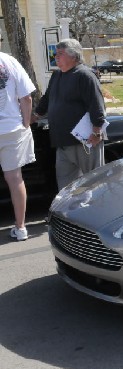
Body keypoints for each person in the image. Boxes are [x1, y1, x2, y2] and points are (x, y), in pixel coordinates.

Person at [33, 38, 107, 190]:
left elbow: (97, 105)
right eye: (56, 53)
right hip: (62, 142)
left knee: (95, 183)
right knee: (66, 189)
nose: (56, 57)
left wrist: (97, 131)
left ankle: (99, 212)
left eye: (60, 53)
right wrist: (33, 116)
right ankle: (71, 213)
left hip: (86, 141)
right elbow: (47, 99)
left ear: (74, 56)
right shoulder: (56, 76)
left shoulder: (85, 76)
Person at [0, 33, 37, 241]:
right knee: (15, 179)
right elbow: (27, 97)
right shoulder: (11, 62)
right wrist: (25, 122)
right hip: (12, 129)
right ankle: (21, 227)